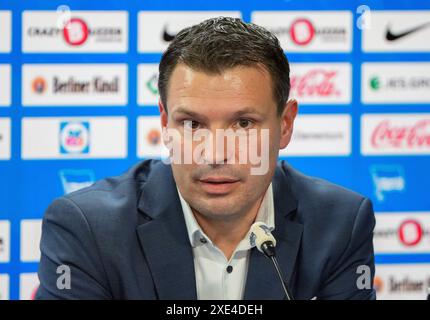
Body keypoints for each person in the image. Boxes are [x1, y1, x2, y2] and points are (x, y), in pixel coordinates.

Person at [36, 17, 376, 300]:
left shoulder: (341, 224)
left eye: (243, 124)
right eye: (192, 124)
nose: (214, 153)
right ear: (165, 123)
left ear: (285, 124)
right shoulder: (87, 228)